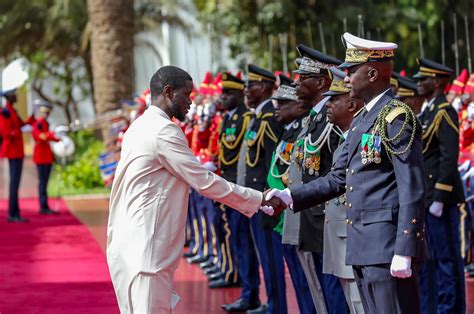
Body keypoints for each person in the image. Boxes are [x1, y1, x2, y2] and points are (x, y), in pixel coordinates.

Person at [266, 32, 428, 313]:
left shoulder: (396, 117)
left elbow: (411, 187)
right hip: (363, 246)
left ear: (373, 72)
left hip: (388, 247)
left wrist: (405, 247)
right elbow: (337, 178)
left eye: (352, 71)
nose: (347, 78)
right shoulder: (363, 119)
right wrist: (289, 195)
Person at [106, 65, 282, 313]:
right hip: (145, 249)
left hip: (131, 244)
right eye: (186, 94)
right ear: (168, 92)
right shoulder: (163, 130)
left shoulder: (140, 125)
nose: (190, 102)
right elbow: (204, 181)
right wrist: (259, 199)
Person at [223, 64, 285, 314]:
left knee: (270, 257)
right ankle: (261, 299)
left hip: (263, 200)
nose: (246, 90)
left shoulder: (270, 118)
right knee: (257, 252)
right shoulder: (259, 117)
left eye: (251, 85)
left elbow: (273, 164)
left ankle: (276, 306)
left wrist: (269, 199)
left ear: (266, 87)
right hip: (251, 199)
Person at [291, 43, 347, 314]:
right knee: (322, 292)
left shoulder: (332, 120)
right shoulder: (314, 119)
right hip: (313, 217)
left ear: (323, 82)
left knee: (335, 291)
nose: (296, 83)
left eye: (304, 78)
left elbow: (338, 174)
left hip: (328, 218)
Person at [414, 58, 466, 314]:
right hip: (429, 195)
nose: (418, 83)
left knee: (447, 259)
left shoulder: (444, 110)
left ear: (436, 82)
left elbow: (448, 155)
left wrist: (439, 197)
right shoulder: (429, 111)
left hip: (441, 198)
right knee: (434, 257)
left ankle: (451, 308)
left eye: (423, 79)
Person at [267, 74, 316, 314]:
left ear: (298, 105)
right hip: (282, 212)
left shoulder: (301, 130)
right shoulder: (289, 131)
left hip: (294, 210)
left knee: (308, 281)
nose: (277, 108)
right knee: (298, 277)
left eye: (283, 104)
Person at [322, 67, 364, 313]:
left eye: (334, 99)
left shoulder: (358, 137)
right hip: (340, 235)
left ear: (351, 105)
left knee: (360, 304)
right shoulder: (344, 138)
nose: (328, 104)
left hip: (353, 239)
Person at [208, 72, 253, 288]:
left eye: (227, 93)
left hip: (237, 184)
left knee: (241, 239)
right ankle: (234, 275)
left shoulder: (246, 119)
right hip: (224, 182)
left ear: (238, 94)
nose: (222, 97)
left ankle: (244, 286)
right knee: (229, 234)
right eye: (222, 93)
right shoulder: (227, 118)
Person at [1, 89, 34, 223]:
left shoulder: (12, 111)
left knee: (16, 183)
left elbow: (22, 124)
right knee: (14, 183)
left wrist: (33, 116)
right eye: (13, 94)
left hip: (18, 151)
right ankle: (12, 214)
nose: (16, 96)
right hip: (13, 151)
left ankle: (15, 213)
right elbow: (5, 131)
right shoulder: (5, 112)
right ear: (9, 97)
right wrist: (17, 132)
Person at [32, 100, 60, 215]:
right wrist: (53, 134)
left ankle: (45, 205)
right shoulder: (38, 123)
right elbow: (39, 136)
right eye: (45, 112)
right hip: (41, 156)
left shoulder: (45, 123)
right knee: (42, 182)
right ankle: (43, 206)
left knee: (45, 182)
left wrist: (59, 137)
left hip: (46, 156)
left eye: (48, 113)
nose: (46, 115)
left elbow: (49, 137)